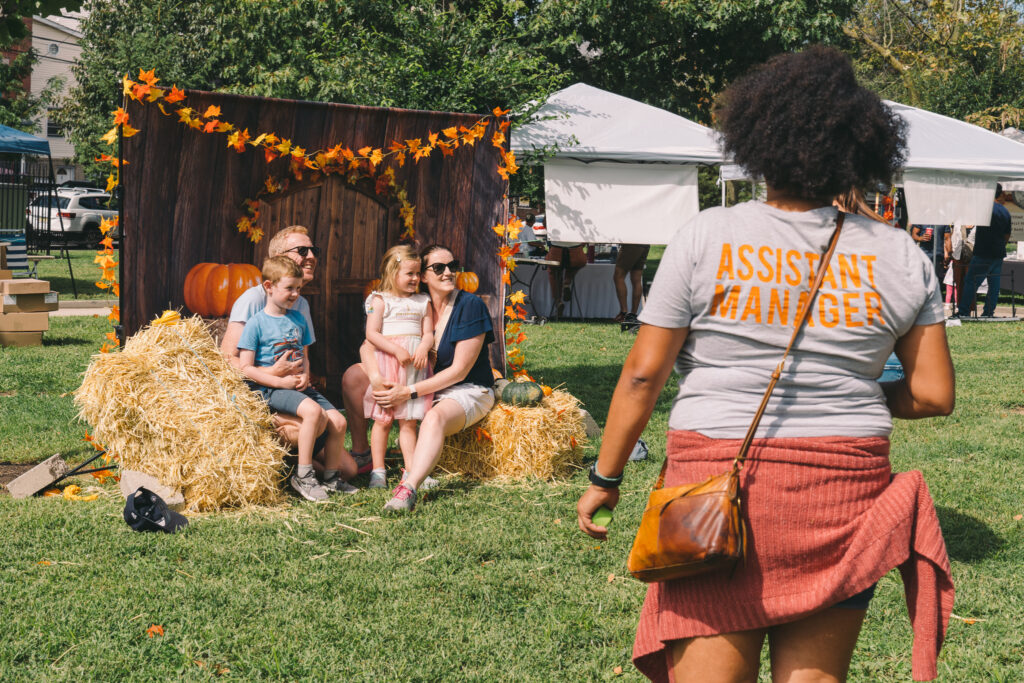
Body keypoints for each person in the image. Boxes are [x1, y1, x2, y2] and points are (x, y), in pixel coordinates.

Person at [576, 46, 955, 683]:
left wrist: (605, 477)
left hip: (716, 479)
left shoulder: (705, 235)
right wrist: (850, 392)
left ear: (757, 139)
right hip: (844, 485)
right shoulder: (898, 254)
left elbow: (644, 375)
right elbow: (933, 393)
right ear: (857, 150)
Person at [346, 244, 496, 513]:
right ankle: (363, 454)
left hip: (465, 388)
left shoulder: (469, 306)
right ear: (424, 275)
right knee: (352, 377)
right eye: (439, 268)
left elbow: (459, 371)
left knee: (432, 418)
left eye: (454, 265)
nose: (449, 272)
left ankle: (410, 485)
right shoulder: (413, 303)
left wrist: (408, 391)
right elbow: (367, 345)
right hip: (422, 381)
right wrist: (377, 378)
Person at [221, 225, 362, 480]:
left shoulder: (300, 307)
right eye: (302, 250)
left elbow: (300, 354)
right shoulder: (254, 300)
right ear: (278, 257)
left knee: (348, 470)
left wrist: (304, 377)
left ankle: (293, 471)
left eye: (313, 250)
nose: (311, 256)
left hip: (293, 392)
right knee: (315, 421)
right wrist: (273, 374)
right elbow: (226, 360)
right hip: (262, 395)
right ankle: (291, 468)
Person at [238, 256, 355, 501]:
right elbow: (245, 368)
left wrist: (303, 374)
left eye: (299, 289)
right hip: (271, 389)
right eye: (289, 288)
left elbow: (304, 355)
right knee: (314, 413)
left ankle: (331, 478)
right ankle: (303, 475)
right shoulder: (256, 324)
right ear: (269, 287)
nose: (295, 294)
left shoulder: (299, 320)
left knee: (338, 421)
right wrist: (280, 381)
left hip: (296, 387)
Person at [362, 244, 435, 489]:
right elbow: (371, 333)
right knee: (383, 420)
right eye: (409, 274)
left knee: (409, 422)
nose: (415, 279)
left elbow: (428, 332)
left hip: (414, 367)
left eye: (417, 274)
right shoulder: (380, 300)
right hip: (388, 364)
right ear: (392, 273)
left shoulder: (422, 301)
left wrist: (424, 347)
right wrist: (396, 350)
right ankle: (378, 471)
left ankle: (412, 470)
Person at [958, 185, 1013, 317]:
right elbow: (1007, 235)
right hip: (998, 253)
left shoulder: (984, 209)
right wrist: (1000, 245)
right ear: (1000, 194)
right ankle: (988, 312)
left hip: (983, 252)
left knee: (971, 282)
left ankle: (964, 312)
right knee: (994, 285)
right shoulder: (1005, 212)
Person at [613, 244, 649, 325]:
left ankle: (624, 313)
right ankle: (632, 315)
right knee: (636, 279)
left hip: (632, 243)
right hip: (645, 243)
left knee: (618, 276)